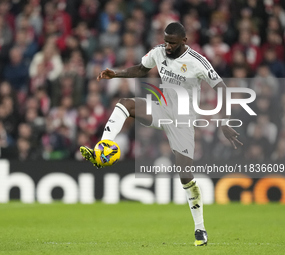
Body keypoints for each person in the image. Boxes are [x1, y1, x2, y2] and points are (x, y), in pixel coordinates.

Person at [80, 22, 243, 246]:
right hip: (163, 108)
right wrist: (116, 74)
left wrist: (224, 120)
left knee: (186, 176)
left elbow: (222, 88)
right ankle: (103, 147)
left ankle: (200, 229)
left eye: (172, 43)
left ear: (184, 41)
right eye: (165, 40)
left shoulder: (197, 61)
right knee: (125, 103)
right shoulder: (159, 52)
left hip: (183, 121)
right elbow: (140, 69)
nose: (167, 46)